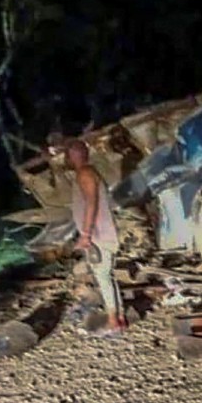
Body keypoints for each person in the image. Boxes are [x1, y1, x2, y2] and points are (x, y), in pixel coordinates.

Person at [65, 138, 126, 333]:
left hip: (98, 233)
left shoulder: (85, 173)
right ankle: (119, 317)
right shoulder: (86, 173)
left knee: (102, 275)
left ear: (73, 156)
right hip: (98, 232)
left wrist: (85, 234)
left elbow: (92, 203)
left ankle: (113, 322)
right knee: (106, 275)